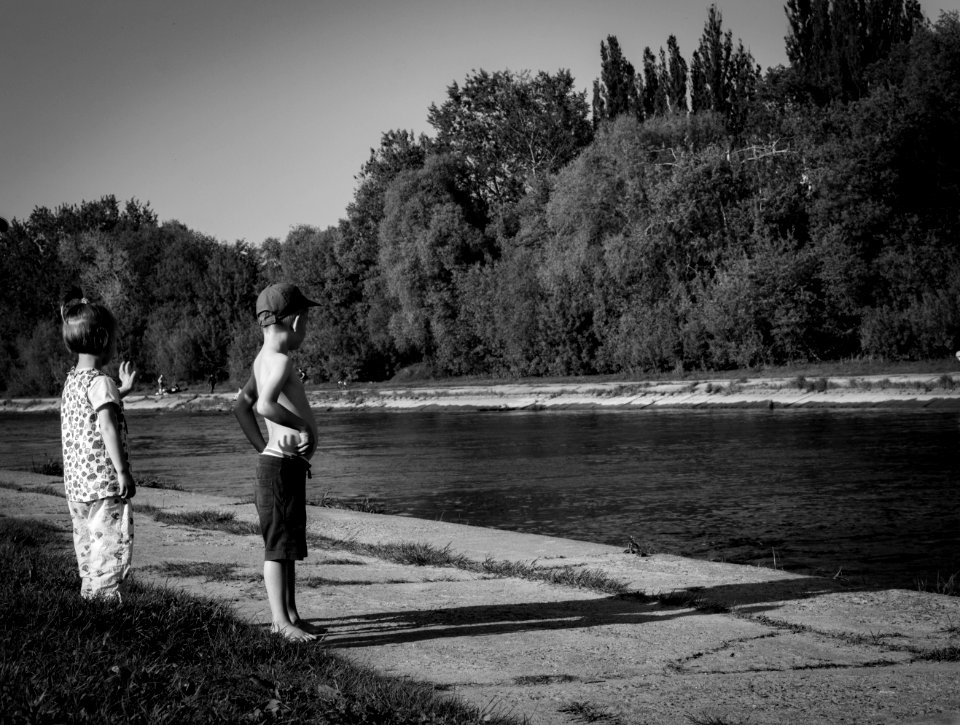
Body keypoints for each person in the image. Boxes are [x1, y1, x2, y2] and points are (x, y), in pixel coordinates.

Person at [234, 282, 322, 641]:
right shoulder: (281, 361)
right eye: (308, 321)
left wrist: (265, 446)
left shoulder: (262, 359)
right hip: (279, 468)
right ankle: (279, 622)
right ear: (297, 322)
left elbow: (242, 405)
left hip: (282, 466)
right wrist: (303, 428)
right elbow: (263, 406)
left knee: (287, 547)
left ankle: (291, 615)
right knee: (277, 549)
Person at [59, 289, 139, 600]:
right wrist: (122, 472)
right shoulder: (101, 381)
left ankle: (89, 593)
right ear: (104, 339)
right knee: (108, 541)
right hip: (104, 482)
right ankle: (105, 601)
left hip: (78, 485)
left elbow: (98, 409)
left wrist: (125, 391)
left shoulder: (74, 380)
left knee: (86, 541)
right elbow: (106, 425)